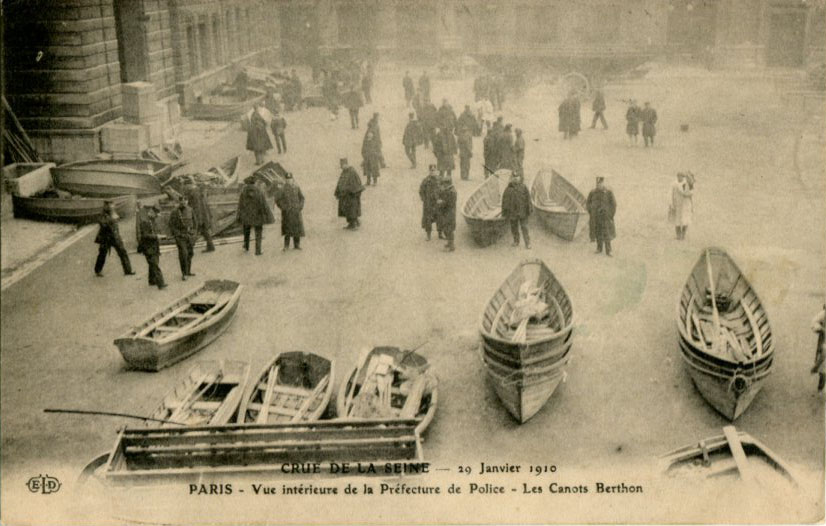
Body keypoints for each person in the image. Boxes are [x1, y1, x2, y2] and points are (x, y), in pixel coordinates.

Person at [94, 200, 134, 278]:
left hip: (115, 237)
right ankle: (97, 270)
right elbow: (103, 224)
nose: (112, 206)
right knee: (102, 254)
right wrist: (112, 219)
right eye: (110, 205)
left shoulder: (112, 212)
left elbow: (116, 224)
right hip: (106, 238)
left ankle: (128, 270)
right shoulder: (103, 214)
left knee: (123, 252)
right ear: (106, 206)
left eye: (112, 204)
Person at [237, 176, 275, 255]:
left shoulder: (243, 192)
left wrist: (240, 215)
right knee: (258, 233)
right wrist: (269, 216)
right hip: (257, 216)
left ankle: (246, 247)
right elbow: (263, 204)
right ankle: (258, 251)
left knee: (246, 231)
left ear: (247, 183)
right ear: (254, 183)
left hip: (246, 216)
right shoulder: (259, 191)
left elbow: (240, 205)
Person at [136, 205, 166, 289]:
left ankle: (151, 280)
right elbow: (145, 235)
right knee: (155, 265)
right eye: (156, 214)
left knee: (152, 264)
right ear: (152, 212)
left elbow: (155, 231)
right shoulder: (144, 221)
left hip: (154, 246)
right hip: (148, 247)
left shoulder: (153, 221)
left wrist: (160, 235)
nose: (156, 216)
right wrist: (156, 236)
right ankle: (161, 284)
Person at [586, 176, 617, 256]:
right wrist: (591, 212)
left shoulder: (608, 192)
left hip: (606, 217)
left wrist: (610, 215)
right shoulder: (593, 192)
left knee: (607, 233)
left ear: (603, 183)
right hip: (596, 217)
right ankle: (599, 248)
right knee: (598, 232)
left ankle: (609, 251)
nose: (599, 185)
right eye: (597, 184)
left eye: (600, 183)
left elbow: (614, 204)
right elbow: (588, 203)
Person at [168, 196, 196, 281]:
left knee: (190, 253)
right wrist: (177, 235)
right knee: (183, 254)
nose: (183, 202)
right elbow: (171, 225)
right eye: (182, 201)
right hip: (180, 236)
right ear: (179, 202)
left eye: (185, 201)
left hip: (189, 235)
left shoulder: (190, 210)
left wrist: (195, 233)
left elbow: (195, 222)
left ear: (187, 201)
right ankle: (184, 274)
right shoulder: (175, 212)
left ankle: (188, 271)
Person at [501, 171, 531, 249]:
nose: (516, 179)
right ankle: (516, 241)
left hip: (522, 212)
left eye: (517, 177)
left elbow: (528, 199)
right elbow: (504, 202)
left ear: (520, 178)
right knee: (514, 227)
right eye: (514, 177)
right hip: (512, 212)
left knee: (524, 227)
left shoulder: (524, 187)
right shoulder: (508, 189)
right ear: (511, 179)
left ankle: (527, 243)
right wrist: (504, 212)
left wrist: (529, 210)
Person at [274, 172, 305, 251]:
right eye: (287, 179)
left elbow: (302, 198)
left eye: (290, 179)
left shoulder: (296, 187)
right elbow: (278, 200)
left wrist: (300, 206)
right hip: (287, 213)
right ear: (285, 180)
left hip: (296, 211)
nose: (289, 181)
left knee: (297, 229)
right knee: (287, 229)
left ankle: (297, 245)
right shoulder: (282, 189)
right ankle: (286, 246)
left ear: (292, 179)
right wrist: (284, 207)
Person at [183, 178, 214, 252]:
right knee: (204, 231)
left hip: (198, 215)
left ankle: (189, 248)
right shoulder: (197, 190)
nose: (185, 188)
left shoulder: (192, 192)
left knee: (194, 231)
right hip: (204, 214)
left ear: (188, 185)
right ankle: (211, 246)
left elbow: (192, 205)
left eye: (186, 186)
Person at [335, 158, 364, 230]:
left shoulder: (352, 172)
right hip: (345, 196)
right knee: (347, 210)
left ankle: (354, 224)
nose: (341, 167)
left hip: (351, 196)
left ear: (345, 164)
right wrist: (337, 192)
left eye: (342, 165)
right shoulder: (345, 171)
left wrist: (350, 192)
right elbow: (340, 182)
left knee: (352, 210)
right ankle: (352, 223)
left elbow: (356, 184)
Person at [669, 172, 694, 240]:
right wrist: (671, 203)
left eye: (682, 177)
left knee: (685, 220)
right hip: (677, 204)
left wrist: (692, 205)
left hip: (686, 205)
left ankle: (683, 235)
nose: (680, 178)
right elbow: (671, 194)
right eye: (679, 176)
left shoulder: (687, 184)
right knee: (677, 220)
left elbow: (691, 194)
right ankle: (678, 235)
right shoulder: (674, 184)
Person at [419, 165, 441, 240]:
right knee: (428, 219)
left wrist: (441, 199)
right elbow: (421, 191)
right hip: (428, 203)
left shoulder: (439, 180)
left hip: (437, 203)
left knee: (440, 218)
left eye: (434, 170)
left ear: (436, 171)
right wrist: (424, 199)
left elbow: (443, 190)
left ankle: (440, 234)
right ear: (429, 171)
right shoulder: (425, 180)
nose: (432, 172)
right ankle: (428, 235)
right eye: (431, 170)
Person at [435, 175, 457, 251]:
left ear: (448, 184)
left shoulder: (451, 192)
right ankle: (449, 243)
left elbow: (448, 203)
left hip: (449, 214)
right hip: (448, 213)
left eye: (444, 184)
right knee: (447, 228)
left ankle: (451, 246)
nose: (443, 185)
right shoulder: (450, 190)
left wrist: (441, 202)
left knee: (449, 229)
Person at [811, 304, 826, 392]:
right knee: (823, 362)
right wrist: (820, 329)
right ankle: (822, 379)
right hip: (824, 340)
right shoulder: (824, 314)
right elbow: (814, 322)